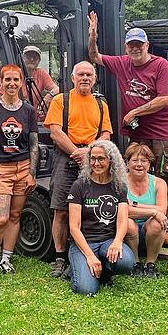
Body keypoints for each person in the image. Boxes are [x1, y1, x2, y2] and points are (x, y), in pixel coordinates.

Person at [87, 12, 168, 244]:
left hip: (160, 131)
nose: (135, 49)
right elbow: (94, 56)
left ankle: (165, 225)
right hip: (137, 133)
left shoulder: (160, 65)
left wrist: (135, 112)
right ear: (126, 47)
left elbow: (165, 99)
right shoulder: (121, 63)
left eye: (139, 44)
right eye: (131, 45)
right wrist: (93, 34)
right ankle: (136, 223)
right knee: (135, 175)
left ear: (146, 45)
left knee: (163, 178)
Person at [43, 61, 112, 279]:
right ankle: (60, 257)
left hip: (94, 159)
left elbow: (106, 134)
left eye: (88, 74)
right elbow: (55, 132)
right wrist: (77, 152)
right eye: (80, 74)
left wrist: (89, 153)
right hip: (66, 158)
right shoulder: (60, 100)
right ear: (72, 77)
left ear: (94, 78)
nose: (84, 77)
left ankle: (88, 250)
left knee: (92, 207)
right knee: (61, 209)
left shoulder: (101, 105)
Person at [0, 64, 39, 281]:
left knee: (14, 216)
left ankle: (6, 259)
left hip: (22, 168)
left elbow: (33, 144)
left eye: (16, 80)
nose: (12, 84)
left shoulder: (28, 110)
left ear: (22, 83)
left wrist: (32, 172)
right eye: (7, 80)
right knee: (0, 217)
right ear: (1, 82)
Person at [68, 140, 135, 295]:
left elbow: (123, 219)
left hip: (108, 241)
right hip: (85, 243)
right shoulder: (80, 185)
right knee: (86, 289)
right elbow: (73, 227)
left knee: (126, 262)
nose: (96, 163)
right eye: (93, 158)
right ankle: (77, 268)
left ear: (111, 161)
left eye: (101, 159)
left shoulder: (119, 186)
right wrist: (90, 256)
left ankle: (103, 270)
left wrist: (118, 242)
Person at [124, 143, 168, 278]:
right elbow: (125, 211)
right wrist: (153, 211)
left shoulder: (159, 183)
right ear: (127, 163)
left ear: (149, 164)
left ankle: (150, 264)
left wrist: (134, 205)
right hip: (128, 233)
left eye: (144, 161)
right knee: (128, 222)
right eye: (135, 160)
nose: (139, 164)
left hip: (150, 232)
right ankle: (136, 263)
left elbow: (162, 210)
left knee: (158, 223)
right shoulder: (120, 182)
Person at [0, 45, 58, 120]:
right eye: (29, 56)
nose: (32, 59)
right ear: (22, 59)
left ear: (39, 61)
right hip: (12, 118)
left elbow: (57, 89)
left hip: (32, 119)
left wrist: (50, 95)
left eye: (35, 57)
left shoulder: (41, 74)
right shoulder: (14, 73)